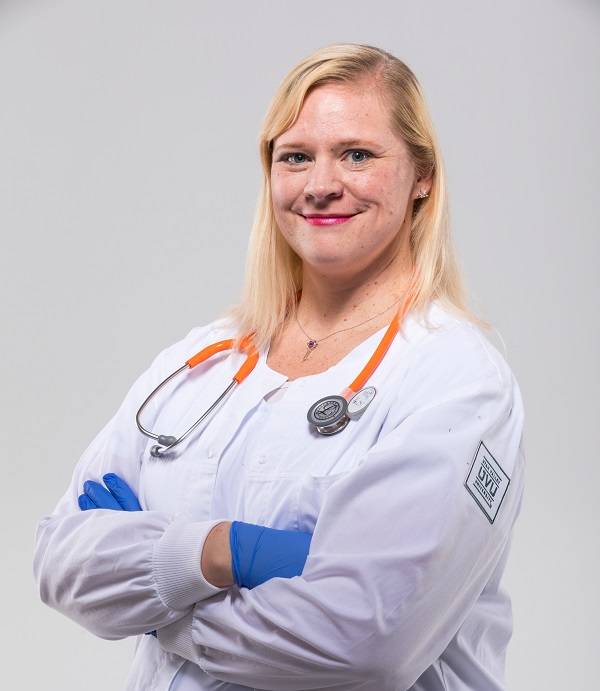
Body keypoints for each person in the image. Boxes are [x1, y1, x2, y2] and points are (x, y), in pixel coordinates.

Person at [33, 43, 526, 691]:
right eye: (295, 156)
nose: (321, 184)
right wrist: (226, 549)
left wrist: (158, 608)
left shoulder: (457, 381)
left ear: (422, 175)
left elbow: (362, 645)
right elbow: (59, 559)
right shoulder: (198, 363)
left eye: (357, 154)